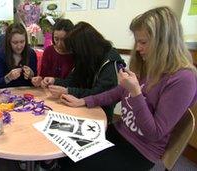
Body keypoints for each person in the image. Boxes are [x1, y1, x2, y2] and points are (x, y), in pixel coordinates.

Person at [58, 7, 197, 171]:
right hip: (120, 133)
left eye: (143, 42)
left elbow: (154, 133)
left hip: (140, 151)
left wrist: (136, 93)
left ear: (164, 42)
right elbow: (117, 92)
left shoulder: (183, 79)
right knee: (65, 149)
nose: (138, 48)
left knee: (75, 162)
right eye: (137, 41)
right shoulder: (150, 64)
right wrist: (83, 101)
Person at [41, 22, 124, 122]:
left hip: (100, 113)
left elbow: (101, 94)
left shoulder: (110, 61)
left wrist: (68, 91)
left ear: (84, 48)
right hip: (80, 105)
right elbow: (73, 80)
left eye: (74, 50)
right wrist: (54, 80)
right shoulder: (86, 57)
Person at [31, 19, 74, 87]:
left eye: (64, 40)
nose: (59, 44)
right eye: (56, 39)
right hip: (49, 92)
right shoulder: (49, 51)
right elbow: (43, 76)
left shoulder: (75, 53)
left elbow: (74, 83)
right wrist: (40, 79)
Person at [0, 23, 37, 88]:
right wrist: (9, 77)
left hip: (27, 94)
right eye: (15, 42)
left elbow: (35, 80)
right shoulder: (0, 55)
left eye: (22, 42)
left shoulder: (31, 53)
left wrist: (31, 75)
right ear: (9, 42)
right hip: (6, 95)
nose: (19, 46)